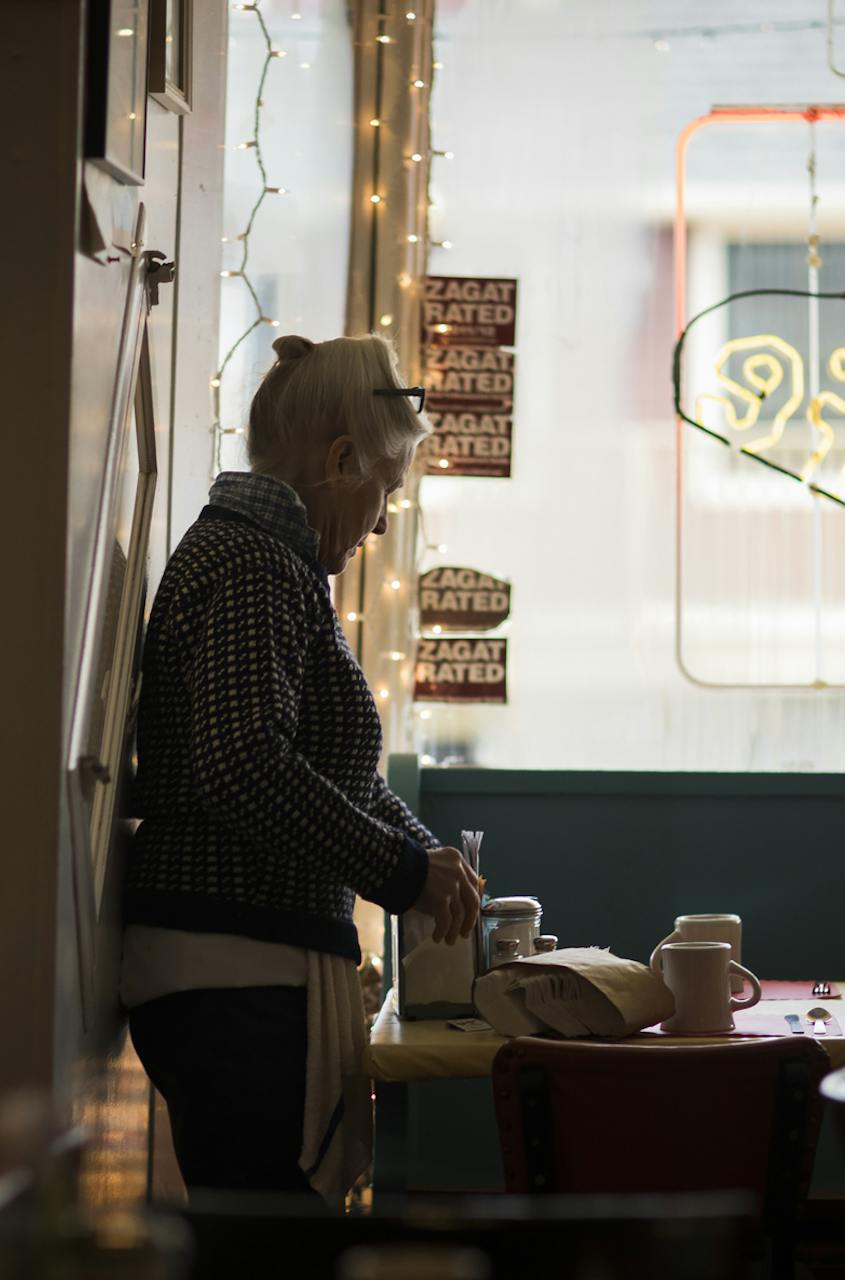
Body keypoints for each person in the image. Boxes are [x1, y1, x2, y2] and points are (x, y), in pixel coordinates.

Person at [121, 333, 483, 1203]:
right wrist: (403, 873)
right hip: (230, 972)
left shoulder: (267, 561)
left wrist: (435, 866)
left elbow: (334, 776)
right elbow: (244, 766)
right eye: (385, 489)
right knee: (266, 1246)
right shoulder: (253, 565)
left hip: (234, 963)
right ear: (341, 459)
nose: (384, 519)